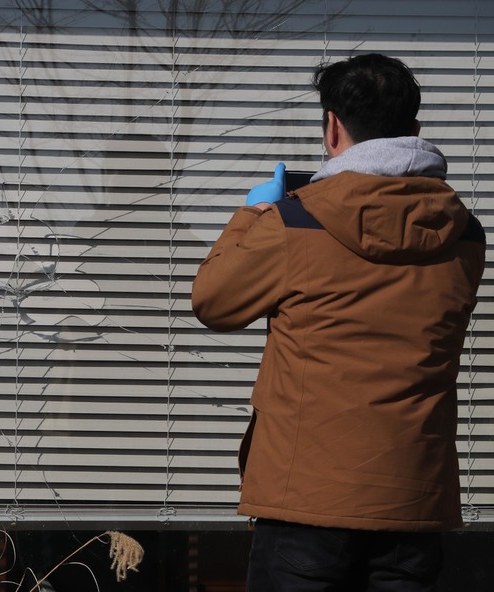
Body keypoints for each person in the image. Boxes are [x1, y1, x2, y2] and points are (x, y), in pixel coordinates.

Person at [190, 53, 485, 591]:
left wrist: (250, 217)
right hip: (412, 501)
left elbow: (213, 301)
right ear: (414, 131)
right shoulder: (465, 235)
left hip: (305, 506)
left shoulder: (294, 223)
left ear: (332, 127)